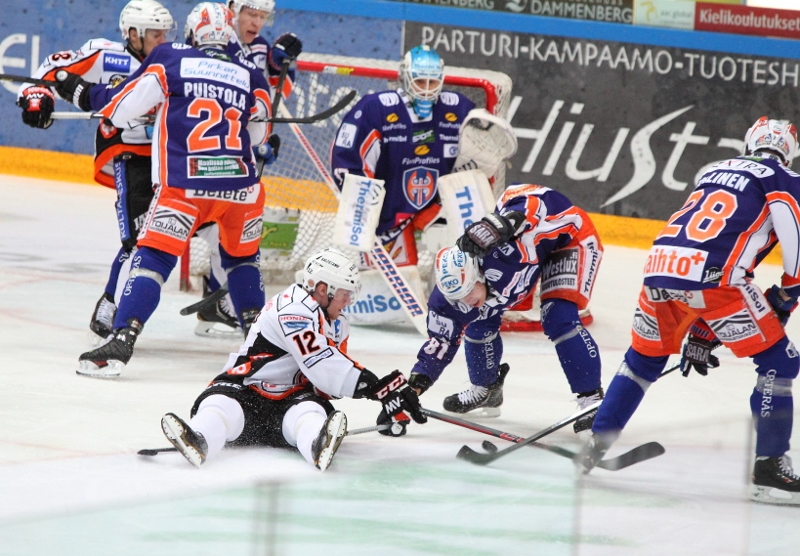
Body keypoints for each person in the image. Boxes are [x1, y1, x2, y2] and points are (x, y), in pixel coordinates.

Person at [578, 116, 800, 506]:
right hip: (714, 280)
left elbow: (712, 237)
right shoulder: (784, 179)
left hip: (660, 267)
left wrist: (703, 330)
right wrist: (789, 291)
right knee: (780, 363)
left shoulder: (714, 170)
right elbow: (790, 240)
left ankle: (597, 439)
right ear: (790, 151)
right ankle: (769, 466)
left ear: (749, 142)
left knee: (643, 360)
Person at [54, 2, 272, 378]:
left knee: (153, 259)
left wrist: (91, 96)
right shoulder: (252, 73)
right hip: (243, 190)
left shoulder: (171, 58)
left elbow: (120, 111)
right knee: (242, 261)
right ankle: (264, 349)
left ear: (192, 35)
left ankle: (121, 341)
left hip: (187, 187)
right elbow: (258, 134)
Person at [160, 248, 426, 471]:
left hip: (289, 405)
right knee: (219, 405)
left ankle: (317, 445)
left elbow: (328, 385)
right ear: (323, 289)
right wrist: (380, 388)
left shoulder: (338, 324)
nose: (349, 300)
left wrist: (388, 397)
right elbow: (323, 365)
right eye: (345, 292)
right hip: (246, 390)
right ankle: (200, 439)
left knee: (310, 412)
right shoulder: (291, 309)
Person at [386, 182, 605, 435]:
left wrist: (507, 222)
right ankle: (486, 389)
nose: (462, 303)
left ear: (477, 275)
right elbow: (440, 345)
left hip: (567, 240)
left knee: (558, 317)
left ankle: (592, 400)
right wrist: (412, 390)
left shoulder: (507, 254)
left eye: (466, 293)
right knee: (479, 317)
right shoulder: (448, 299)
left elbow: (537, 204)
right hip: (526, 264)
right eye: (456, 298)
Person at [16, 0, 176, 342]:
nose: (162, 39)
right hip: (130, 154)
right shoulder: (105, 56)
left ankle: (221, 294)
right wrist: (35, 95)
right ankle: (110, 302)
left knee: (199, 223)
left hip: (171, 156)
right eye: (154, 33)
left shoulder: (175, 58)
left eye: (165, 32)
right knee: (138, 237)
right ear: (133, 34)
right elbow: (51, 69)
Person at [192, 0, 303, 338]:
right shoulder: (212, 44)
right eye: (250, 14)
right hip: (205, 157)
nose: (256, 22)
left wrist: (282, 65)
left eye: (261, 16)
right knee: (220, 232)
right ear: (232, 11)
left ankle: (216, 303)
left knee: (230, 231)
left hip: (241, 153)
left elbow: (271, 97)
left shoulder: (260, 48)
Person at [330, 44, 475, 269]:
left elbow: (481, 161)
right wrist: (365, 214)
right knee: (388, 291)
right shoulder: (376, 109)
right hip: (387, 216)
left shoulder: (458, 110)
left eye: (433, 82)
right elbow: (348, 162)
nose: (426, 90)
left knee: (460, 269)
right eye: (419, 81)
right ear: (405, 78)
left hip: (438, 208)